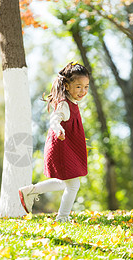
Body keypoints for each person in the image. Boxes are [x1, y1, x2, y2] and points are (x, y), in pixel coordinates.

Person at [19, 62, 90, 222]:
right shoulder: (64, 104)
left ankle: (30, 191)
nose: (83, 91)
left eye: (86, 87)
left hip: (65, 147)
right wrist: (58, 129)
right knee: (73, 185)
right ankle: (62, 218)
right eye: (78, 86)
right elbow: (55, 119)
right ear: (66, 85)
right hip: (61, 147)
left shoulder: (72, 103)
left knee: (62, 183)